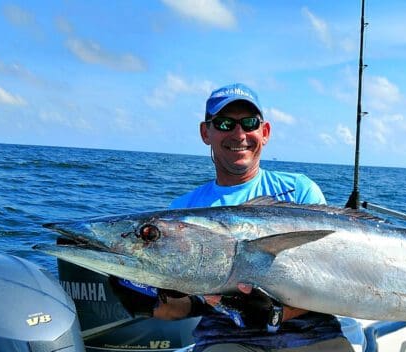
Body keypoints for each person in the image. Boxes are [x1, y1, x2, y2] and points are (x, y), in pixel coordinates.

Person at [115, 83, 352, 352]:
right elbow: (185, 306)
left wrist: (276, 314)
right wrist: (149, 305)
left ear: (265, 133)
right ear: (206, 132)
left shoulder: (299, 191)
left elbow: (327, 278)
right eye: (225, 124)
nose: (239, 134)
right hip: (226, 337)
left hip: (313, 333)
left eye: (249, 123)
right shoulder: (184, 209)